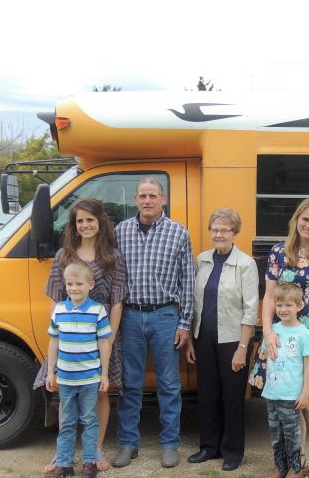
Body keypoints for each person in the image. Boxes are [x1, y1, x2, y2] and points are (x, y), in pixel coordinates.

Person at [249, 197, 309, 478]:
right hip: (282, 332)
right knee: (292, 398)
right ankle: (297, 457)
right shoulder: (279, 252)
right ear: (296, 220)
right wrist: (267, 331)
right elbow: (268, 296)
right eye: (305, 219)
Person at [34, 198, 127, 472]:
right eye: (80, 221)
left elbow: (118, 299)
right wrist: (58, 333)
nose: (85, 225)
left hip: (101, 333)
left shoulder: (113, 256)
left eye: (90, 220)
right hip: (70, 335)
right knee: (65, 394)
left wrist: (109, 338)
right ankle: (62, 455)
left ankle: (94, 451)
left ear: (100, 222)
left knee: (99, 392)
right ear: (74, 226)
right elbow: (55, 296)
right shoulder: (64, 255)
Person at [113, 177, 195, 469]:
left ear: (163, 200)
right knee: (130, 384)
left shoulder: (179, 233)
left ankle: (170, 444)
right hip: (131, 316)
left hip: (165, 316)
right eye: (142, 196)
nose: (147, 200)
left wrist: (184, 324)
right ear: (136, 200)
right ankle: (128, 444)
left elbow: (188, 282)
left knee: (169, 385)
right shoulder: (120, 232)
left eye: (153, 195)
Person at [185, 208, 259, 472]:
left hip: (233, 341)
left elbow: (251, 310)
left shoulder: (246, 264)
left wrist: (242, 349)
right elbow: (195, 303)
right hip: (204, 337)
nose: (218, 234)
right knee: (207, 395)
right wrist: (192, 339)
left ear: (234, 233)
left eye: (224, 230)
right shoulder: (202, 260)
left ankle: (232, 451)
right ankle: (209, 447)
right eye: (214, 229)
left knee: (232, 397)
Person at [45, 261, 113, 478]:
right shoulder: (59, 310)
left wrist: (104, 374)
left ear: (90, 285)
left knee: (89, 419)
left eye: (79, 284)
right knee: (67, 421)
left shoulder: (97, 310)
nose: (74, 288)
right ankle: (64, 464)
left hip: (89, 378)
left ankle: (90, 462)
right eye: (70, 284)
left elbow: (104, 343)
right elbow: (53, 342)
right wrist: (50, 372)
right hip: (65, 378)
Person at [259, 282, 309, 478]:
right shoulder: (271, 330)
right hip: (272, 393)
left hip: (291, 395)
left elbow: (308, 366)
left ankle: (295, 468)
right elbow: (265, 356)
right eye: (279, 305)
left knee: (292, 435)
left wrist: (305, 393)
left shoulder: (304, 334)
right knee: (276, 434)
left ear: (299, 306)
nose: (283, 309)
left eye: (288, 305)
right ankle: (280, 466)